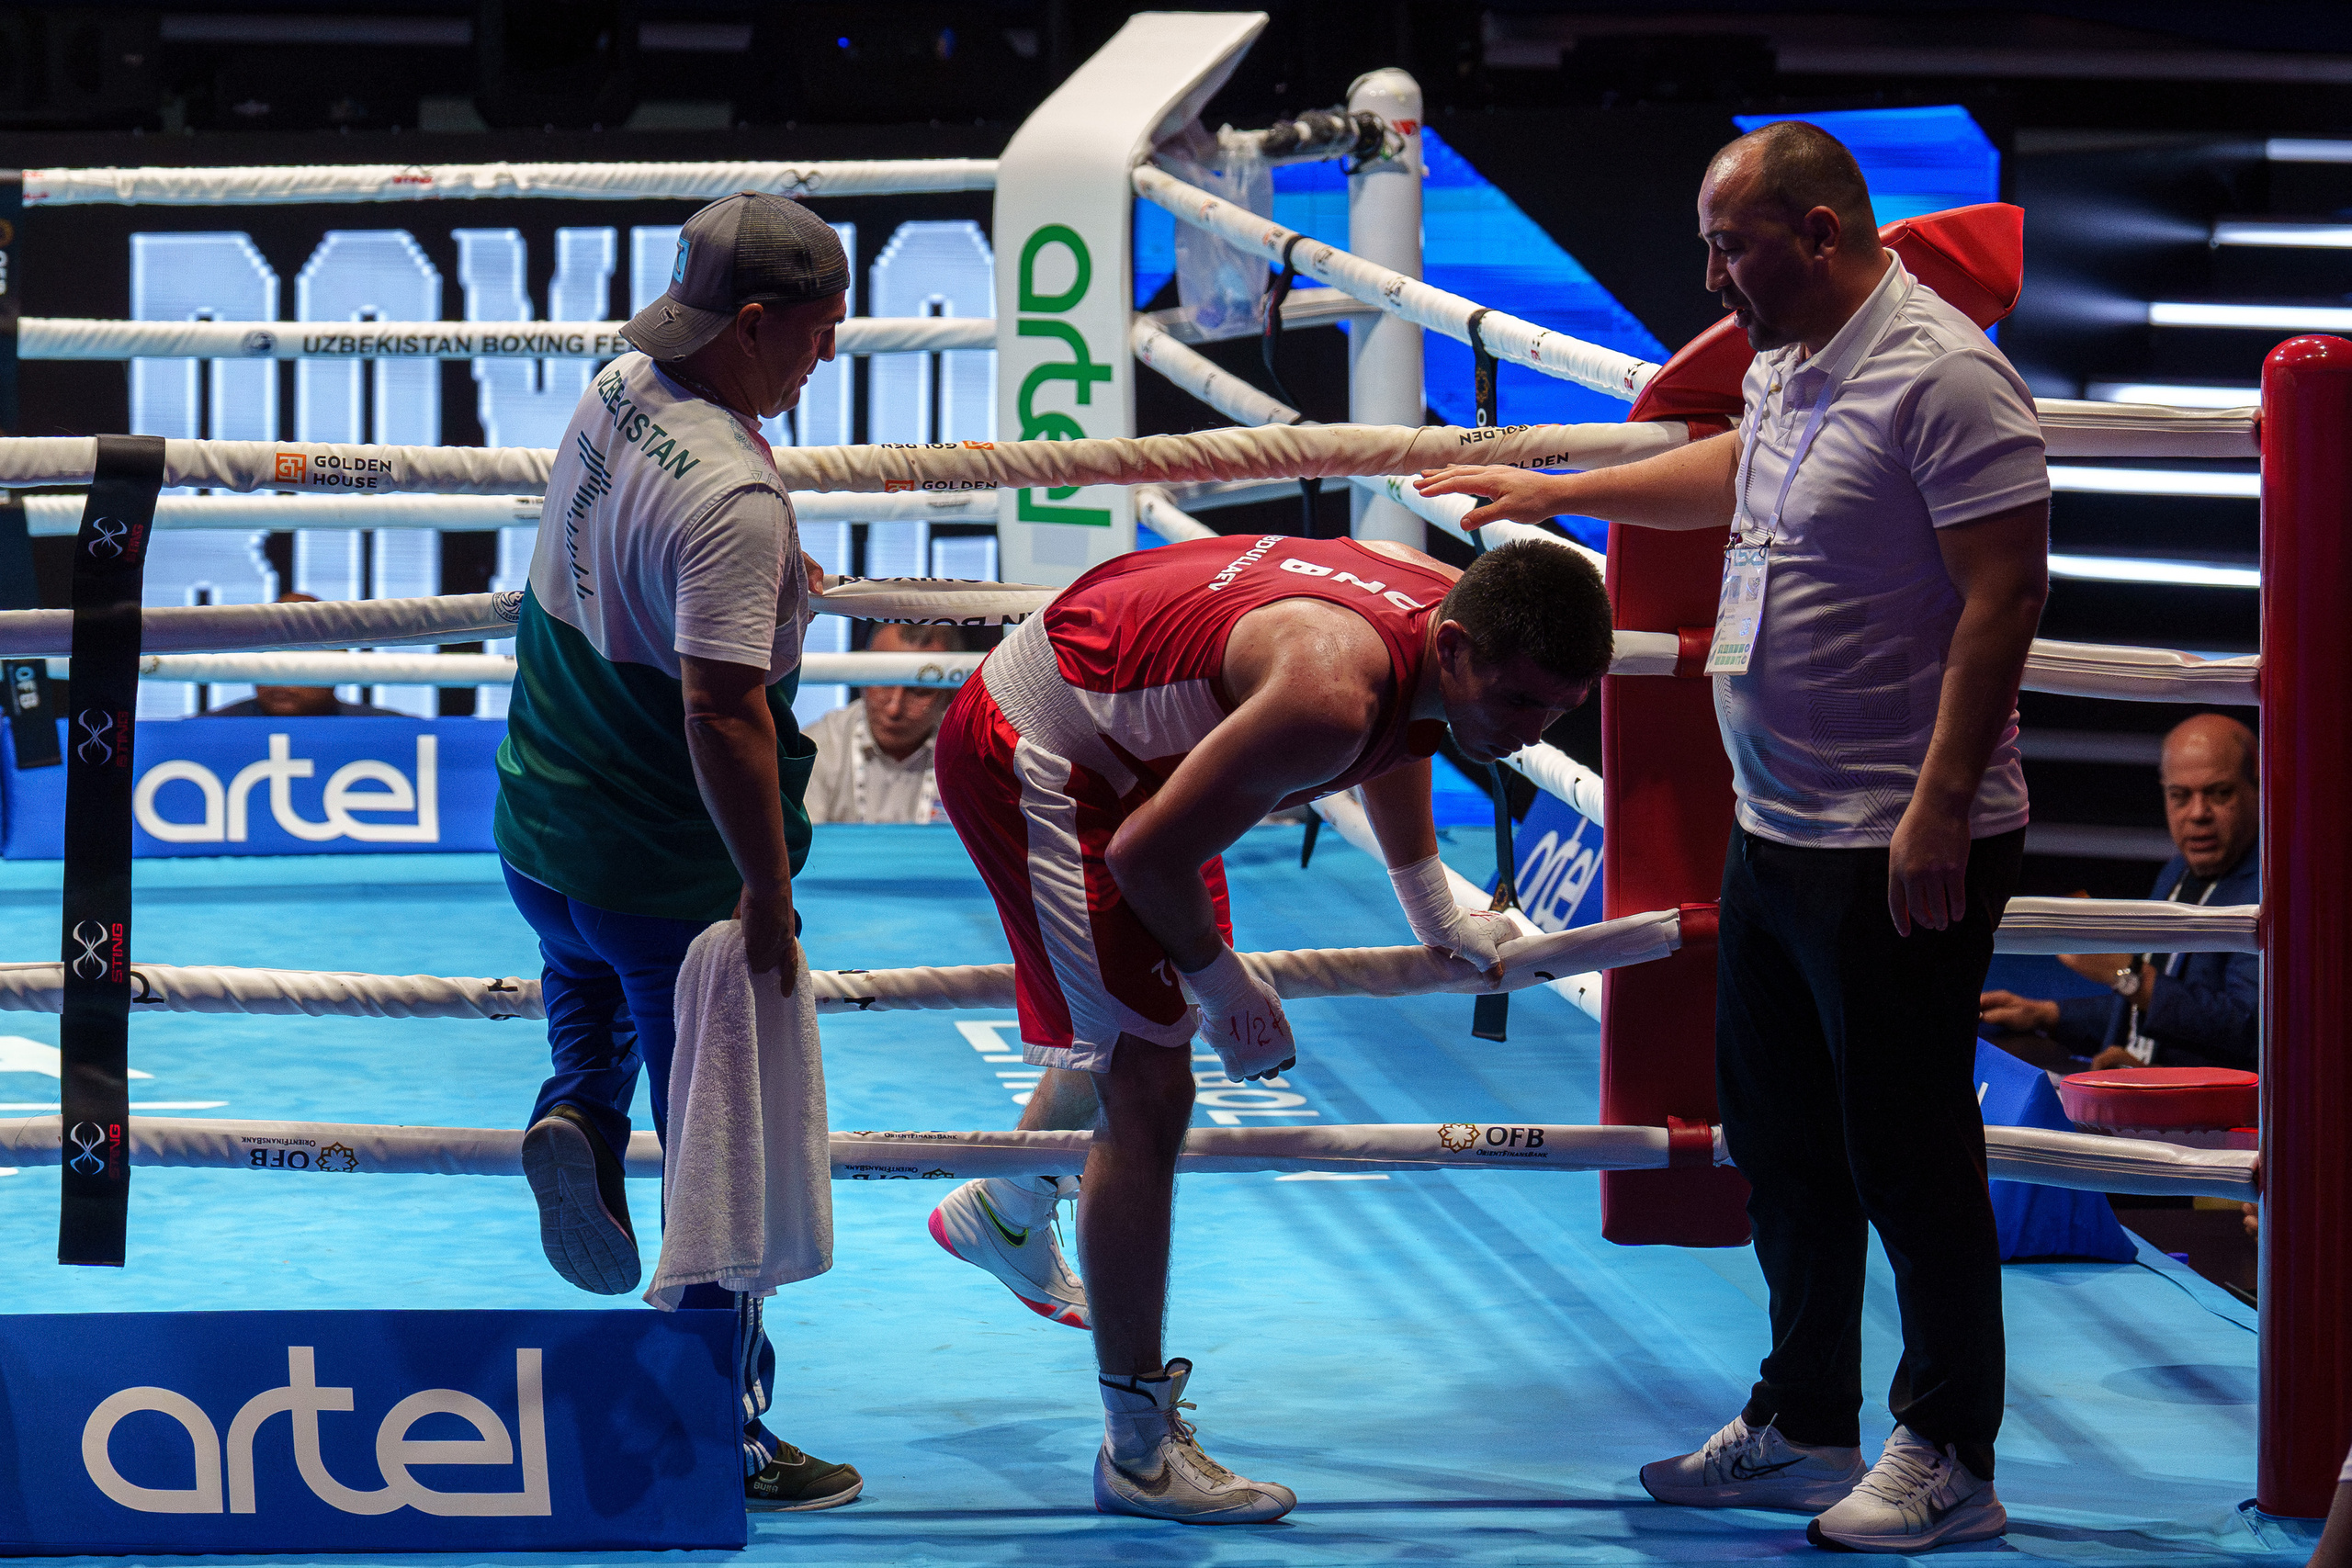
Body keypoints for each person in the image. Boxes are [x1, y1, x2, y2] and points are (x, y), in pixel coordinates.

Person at [1418, 120, 2049, 1553]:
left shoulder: (1943, 374)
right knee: (1783, 1139)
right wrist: (1560, 493)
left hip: (1898, 831)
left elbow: (2007, 593)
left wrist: (1941, 802)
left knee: (1909, 1147)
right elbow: (1733, 480)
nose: (1711, 275)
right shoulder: (1787, 363)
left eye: (1730, 243)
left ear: (1819, 234)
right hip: (1778, 824)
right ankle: (1808, 1419)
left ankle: (1953, 1447)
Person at [926, 530, 1612, 1523]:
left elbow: (1408, 723)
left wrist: (1432, 907)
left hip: (1137, 734)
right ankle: (1137, 1452)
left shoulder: (1436, 621)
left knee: (1146, 1004)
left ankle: (1003, 1206)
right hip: (1043, 751)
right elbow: (1147, 858)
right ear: (1458, 646)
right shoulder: (1326, 696)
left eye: (1559, 711)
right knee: (1154, 1084)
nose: (1531, 732)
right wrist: (1228, 993)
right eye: (1519, 701)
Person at [492, 190, 860, 1512]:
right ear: (752, 323)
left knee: (587, 1000)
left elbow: (612, 583)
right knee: (724, 1151)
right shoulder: (736, 495)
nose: (826, 357)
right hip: (668, 875)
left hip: (544, 829)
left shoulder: (615, 388)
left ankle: (574, 1105)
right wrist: (766, 887)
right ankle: (720, 1427)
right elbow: (719, 709)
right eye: (817, 334)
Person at [1980, 714, 2258, 1071]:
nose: (2198, 813)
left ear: (2259, 788)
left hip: (2206, 1114)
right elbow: (2148, 1012)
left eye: (2220, 793)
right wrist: (2048, 1014)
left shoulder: (2271, 890)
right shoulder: (2178, 869)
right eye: (2180, 796)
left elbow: (2250, 1030)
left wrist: (2127, 975)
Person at [802, 624, 962, 823]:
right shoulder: (815, 748)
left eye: (919, 691)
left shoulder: (969, 757)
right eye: (883, 681)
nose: (894, 708)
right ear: (860, 673)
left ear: (951, 694)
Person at [201, 593, 411, 717]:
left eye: (298, 655)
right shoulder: (194, 737)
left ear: (339, 661)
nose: (281, 673)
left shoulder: (405, 738)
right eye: (271, 654)